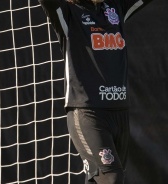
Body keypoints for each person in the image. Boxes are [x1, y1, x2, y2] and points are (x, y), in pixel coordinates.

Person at [39, 0, 150, 183]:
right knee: (112, 177)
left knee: (100, 179)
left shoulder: (116, 8)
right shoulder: (69, 13)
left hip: (119, 113)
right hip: (88, 114)